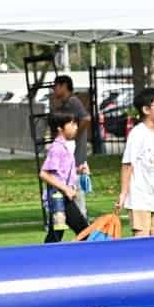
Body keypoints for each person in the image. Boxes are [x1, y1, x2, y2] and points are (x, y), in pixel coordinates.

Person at [119, 87, 154, 237]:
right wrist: (123, 193)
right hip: (139, 197)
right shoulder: (138, 133)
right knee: (141, 237)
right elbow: (127, 164)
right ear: (146, 110)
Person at [40, 113, 91, 243]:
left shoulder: (64, 147)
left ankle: (45, 254)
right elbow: (44, 174)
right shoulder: (57, 148)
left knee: (56, 235)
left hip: (63, 198)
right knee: (83, 231)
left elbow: (60, 173)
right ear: (60, 128)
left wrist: (78, 170)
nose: (76, 127)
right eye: (72, 124)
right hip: (59, 198)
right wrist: (66, 189)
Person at [48, 74, 92, 215]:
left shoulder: (72, 101)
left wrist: (74, 135)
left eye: (56, 86)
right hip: (71, 160)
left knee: (77, 197)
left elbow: (86, 118)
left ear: (64, 86)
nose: (54, 90)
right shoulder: (65, 104)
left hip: (76, 158)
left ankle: (82, 223)